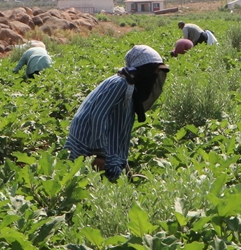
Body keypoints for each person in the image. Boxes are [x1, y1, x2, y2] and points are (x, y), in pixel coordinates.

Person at [65, 45, 169, 181]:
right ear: (143, 69)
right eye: (154, 70)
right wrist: (99, 153)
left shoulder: (130, 85)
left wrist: (124, 163)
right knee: (88, 178)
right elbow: (98, 115)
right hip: (87, 137)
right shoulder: (120, 84)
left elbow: (121, 127)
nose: (155, 75)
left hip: (99, 136)